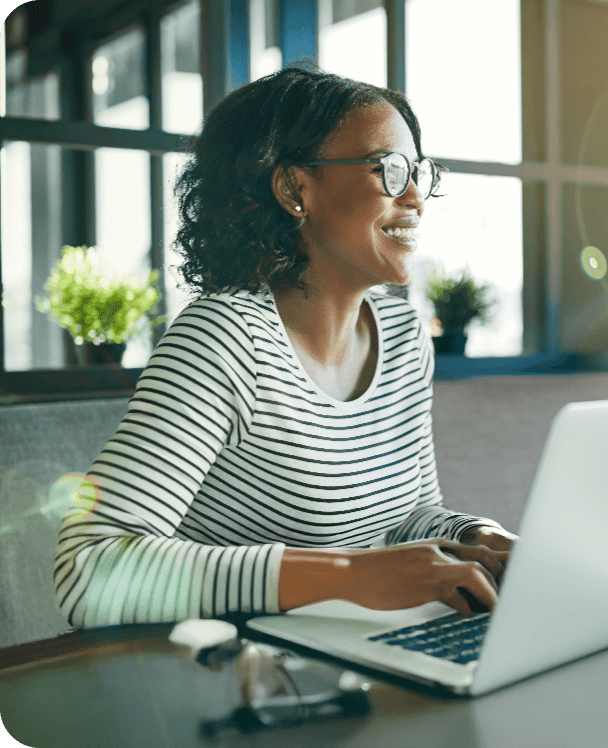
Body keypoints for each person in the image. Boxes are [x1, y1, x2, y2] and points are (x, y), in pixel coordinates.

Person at [54, 65, 517, 630]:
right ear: (295, 189)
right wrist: (347, 574)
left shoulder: (401, 334)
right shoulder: (223, 339)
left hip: (352, 655)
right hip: (233, 683)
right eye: (390, 170)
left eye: (419, 170)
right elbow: (87, 569)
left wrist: (480, 538)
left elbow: (405, 518)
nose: (416, 197)